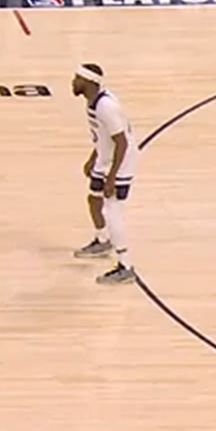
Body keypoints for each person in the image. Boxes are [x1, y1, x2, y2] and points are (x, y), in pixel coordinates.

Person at [71, 63, 138, 285]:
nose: (73, 82)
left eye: (77, 78)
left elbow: (122, 142)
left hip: (120, 161)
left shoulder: (106, 107)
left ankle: (125, 266)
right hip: (106, 157)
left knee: (112, 212)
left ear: (89, 82)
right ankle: (102, 240)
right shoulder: (92, 101)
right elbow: (103, 136)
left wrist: (111, 177)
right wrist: (93, 158)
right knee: (93, 199)